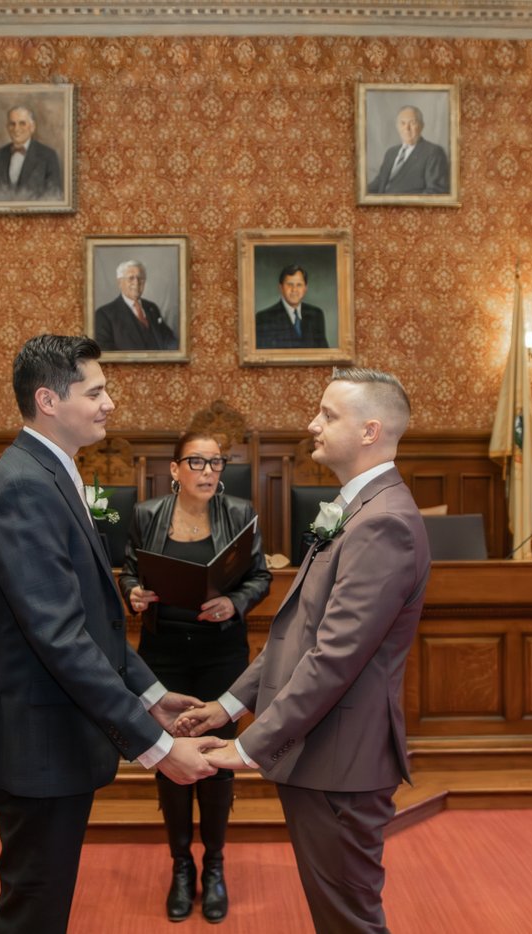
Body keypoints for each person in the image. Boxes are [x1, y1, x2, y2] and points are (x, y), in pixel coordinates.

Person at [0, 334, 223, 933]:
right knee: (34, 912)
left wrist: (151, 693)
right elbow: (61, 639)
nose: (110, 402)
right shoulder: (24, 486)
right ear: (48, 401)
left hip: (58, 738)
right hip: (38, 745)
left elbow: (93, 616)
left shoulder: (53, 473)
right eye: (96, 390)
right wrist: (158, 750)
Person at [177, 367, 430, 934]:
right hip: (323, 754)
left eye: (328, 415)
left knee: (348, 921)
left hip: (343, 760)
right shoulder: (355, 509)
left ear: (370, 431)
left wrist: (248, 749)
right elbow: (297, 633)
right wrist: (228, 706)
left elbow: (334, 658)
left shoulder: (384, 522)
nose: (312, 424)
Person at [120, 432, 272, 923]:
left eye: (216, 463)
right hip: (162, 658)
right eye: (198, 462)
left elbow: (260, 577)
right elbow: (129, 574)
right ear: (174, 469)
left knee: (216, 762)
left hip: (220, 655)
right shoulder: (146, 516)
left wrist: (236, 602)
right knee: (171, 762)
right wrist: (135, 595)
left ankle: (216, 866)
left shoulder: (240, 511)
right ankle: (181, 866)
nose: (209, 471)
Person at [93, 260, 178, 351]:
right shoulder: (104, 314)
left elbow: (169, 339)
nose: (136, 282)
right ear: (120, 283)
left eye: (140, 278)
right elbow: (105, 352)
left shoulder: (152, 308)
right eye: (131, 278)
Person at [367, 105, 449, 195]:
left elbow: (435, 191)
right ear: (397, 127)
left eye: (412, 123)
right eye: (402, 123)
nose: (407, 128)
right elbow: (380, 182)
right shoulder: (391, 153)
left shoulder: (433, 152)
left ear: (421, 126)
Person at [0, 105, 62, 200]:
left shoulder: (48, 156)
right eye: (12, 124)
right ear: (7, 127)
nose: (16, 129)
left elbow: (54, 196)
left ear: (32, 127)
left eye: (22, 123)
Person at [254, 265, 329, 349]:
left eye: (299, 285)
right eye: (289, 284)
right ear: (281, 288)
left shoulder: (316, 314)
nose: (294, 289)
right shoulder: (264, 318)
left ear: (305, 288)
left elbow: (324, 354)